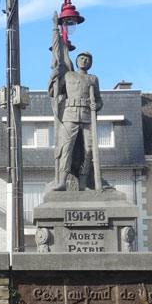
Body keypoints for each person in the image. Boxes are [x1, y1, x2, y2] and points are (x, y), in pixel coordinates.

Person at [47, 12, 102, 191]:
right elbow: (55, 91)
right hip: (70, 114)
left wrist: (97, 105)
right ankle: (62, 181)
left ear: (90, 63)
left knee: (89, 150)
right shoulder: (69, 75)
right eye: (81, 58)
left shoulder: (93, 78)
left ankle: (84, 182)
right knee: (66, 148)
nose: (84, 61)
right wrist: (54, 78)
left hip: (87, 115)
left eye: (87, 59)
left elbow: (99, 100)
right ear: (77, 61)